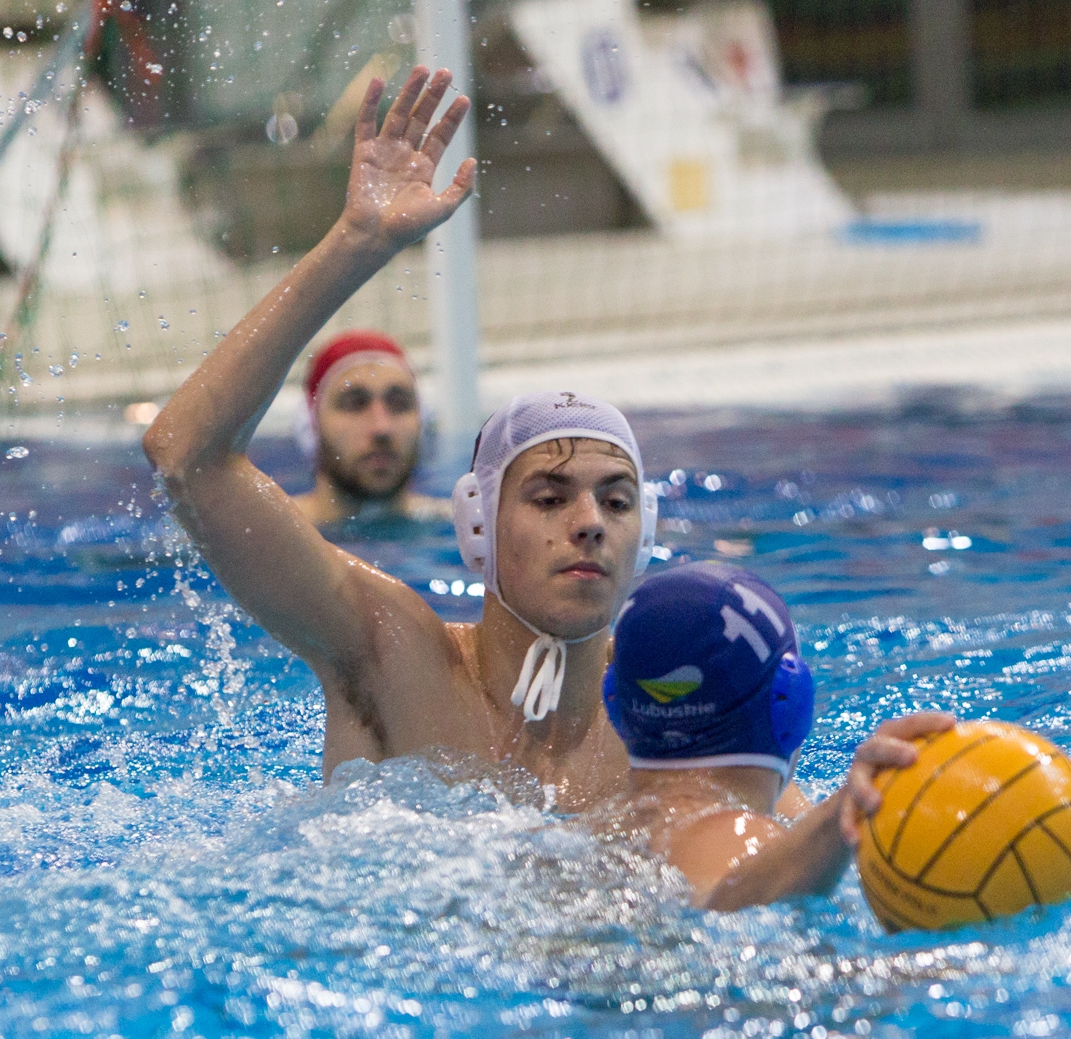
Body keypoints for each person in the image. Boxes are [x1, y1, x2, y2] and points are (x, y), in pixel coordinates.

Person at [143, 66, 939, 820]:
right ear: (479, 527)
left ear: (647, 533)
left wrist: (857, 816)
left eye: (617, 499)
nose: (590, 520)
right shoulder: (390, 655)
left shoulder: (678, 719)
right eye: (550, 497)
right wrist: (356, 244)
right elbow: (187, 454)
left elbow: (794, 854)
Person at [596, 561, 956, 910]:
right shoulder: (741, 835)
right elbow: (726, 899)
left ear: (615, 704)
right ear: (791, 703)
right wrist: (841, 810)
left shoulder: (596, 826)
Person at [290, 330, 448, 527]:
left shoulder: (462, 525)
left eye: (399, 404)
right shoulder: (266, 536)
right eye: (355, 404)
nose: (382, 428)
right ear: (311, 423)